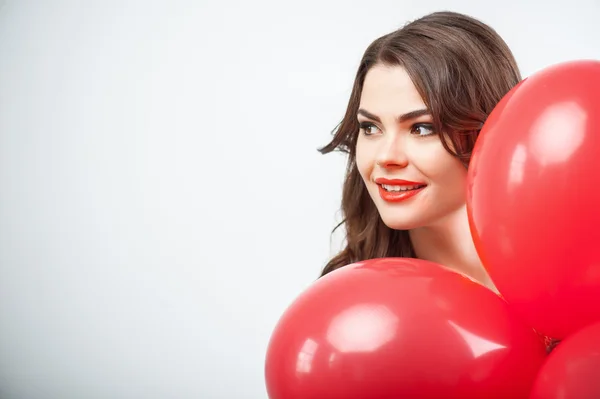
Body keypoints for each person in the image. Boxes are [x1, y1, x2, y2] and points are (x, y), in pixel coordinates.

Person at [318, 11, 521, 293]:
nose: (386, 157)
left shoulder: (566, 273)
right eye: (370, 127)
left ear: (487, 131)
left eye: (422, 129)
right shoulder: (353, 301)